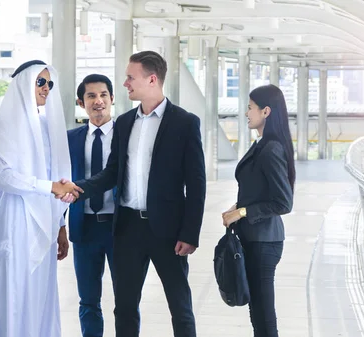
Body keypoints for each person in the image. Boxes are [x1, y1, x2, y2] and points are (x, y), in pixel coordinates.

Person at [72, 51, 206, 337]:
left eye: (131, 77)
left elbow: (196, 184)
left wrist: (190, 233)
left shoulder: (185, 122)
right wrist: (77, 190)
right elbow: (111, 173)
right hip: (128, 228)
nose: (125, 84)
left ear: (152, 79)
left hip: (169, 231)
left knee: (179, 305)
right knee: (125, 306)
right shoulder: (124, 122)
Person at [0, 60, 78, 337]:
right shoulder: (0, 127)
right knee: (14, 292)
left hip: (44, 222)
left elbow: (56, 175)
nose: (46, 88)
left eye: (49, 83)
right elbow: (5, 178)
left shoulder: (46, 126)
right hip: (14, 223)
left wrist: (60, 225)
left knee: (41, 295)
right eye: (40, 82)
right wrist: (48, 187)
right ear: (23, 84)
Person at [221, 84, 295, 337]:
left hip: (265, 242)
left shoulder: (271, 148)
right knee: (257, 314)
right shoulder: (263, 144)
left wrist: (242, 213)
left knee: (263, 315)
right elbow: (258, 191)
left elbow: (283, 202)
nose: (246, 113)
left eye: (250, 108)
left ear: (265, 111)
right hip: (255, 239)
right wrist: (236, 208)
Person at [67, 74, 116, 337]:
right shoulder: (71, 138)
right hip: (84, 228)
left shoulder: (126, 134)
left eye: (103, 95)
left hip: (120, 228)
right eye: (91, 96)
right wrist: (59, 227)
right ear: (81, 102)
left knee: (126, 302)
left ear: (111, 98)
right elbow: (62, 182)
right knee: (88, 301)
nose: (98, 101)